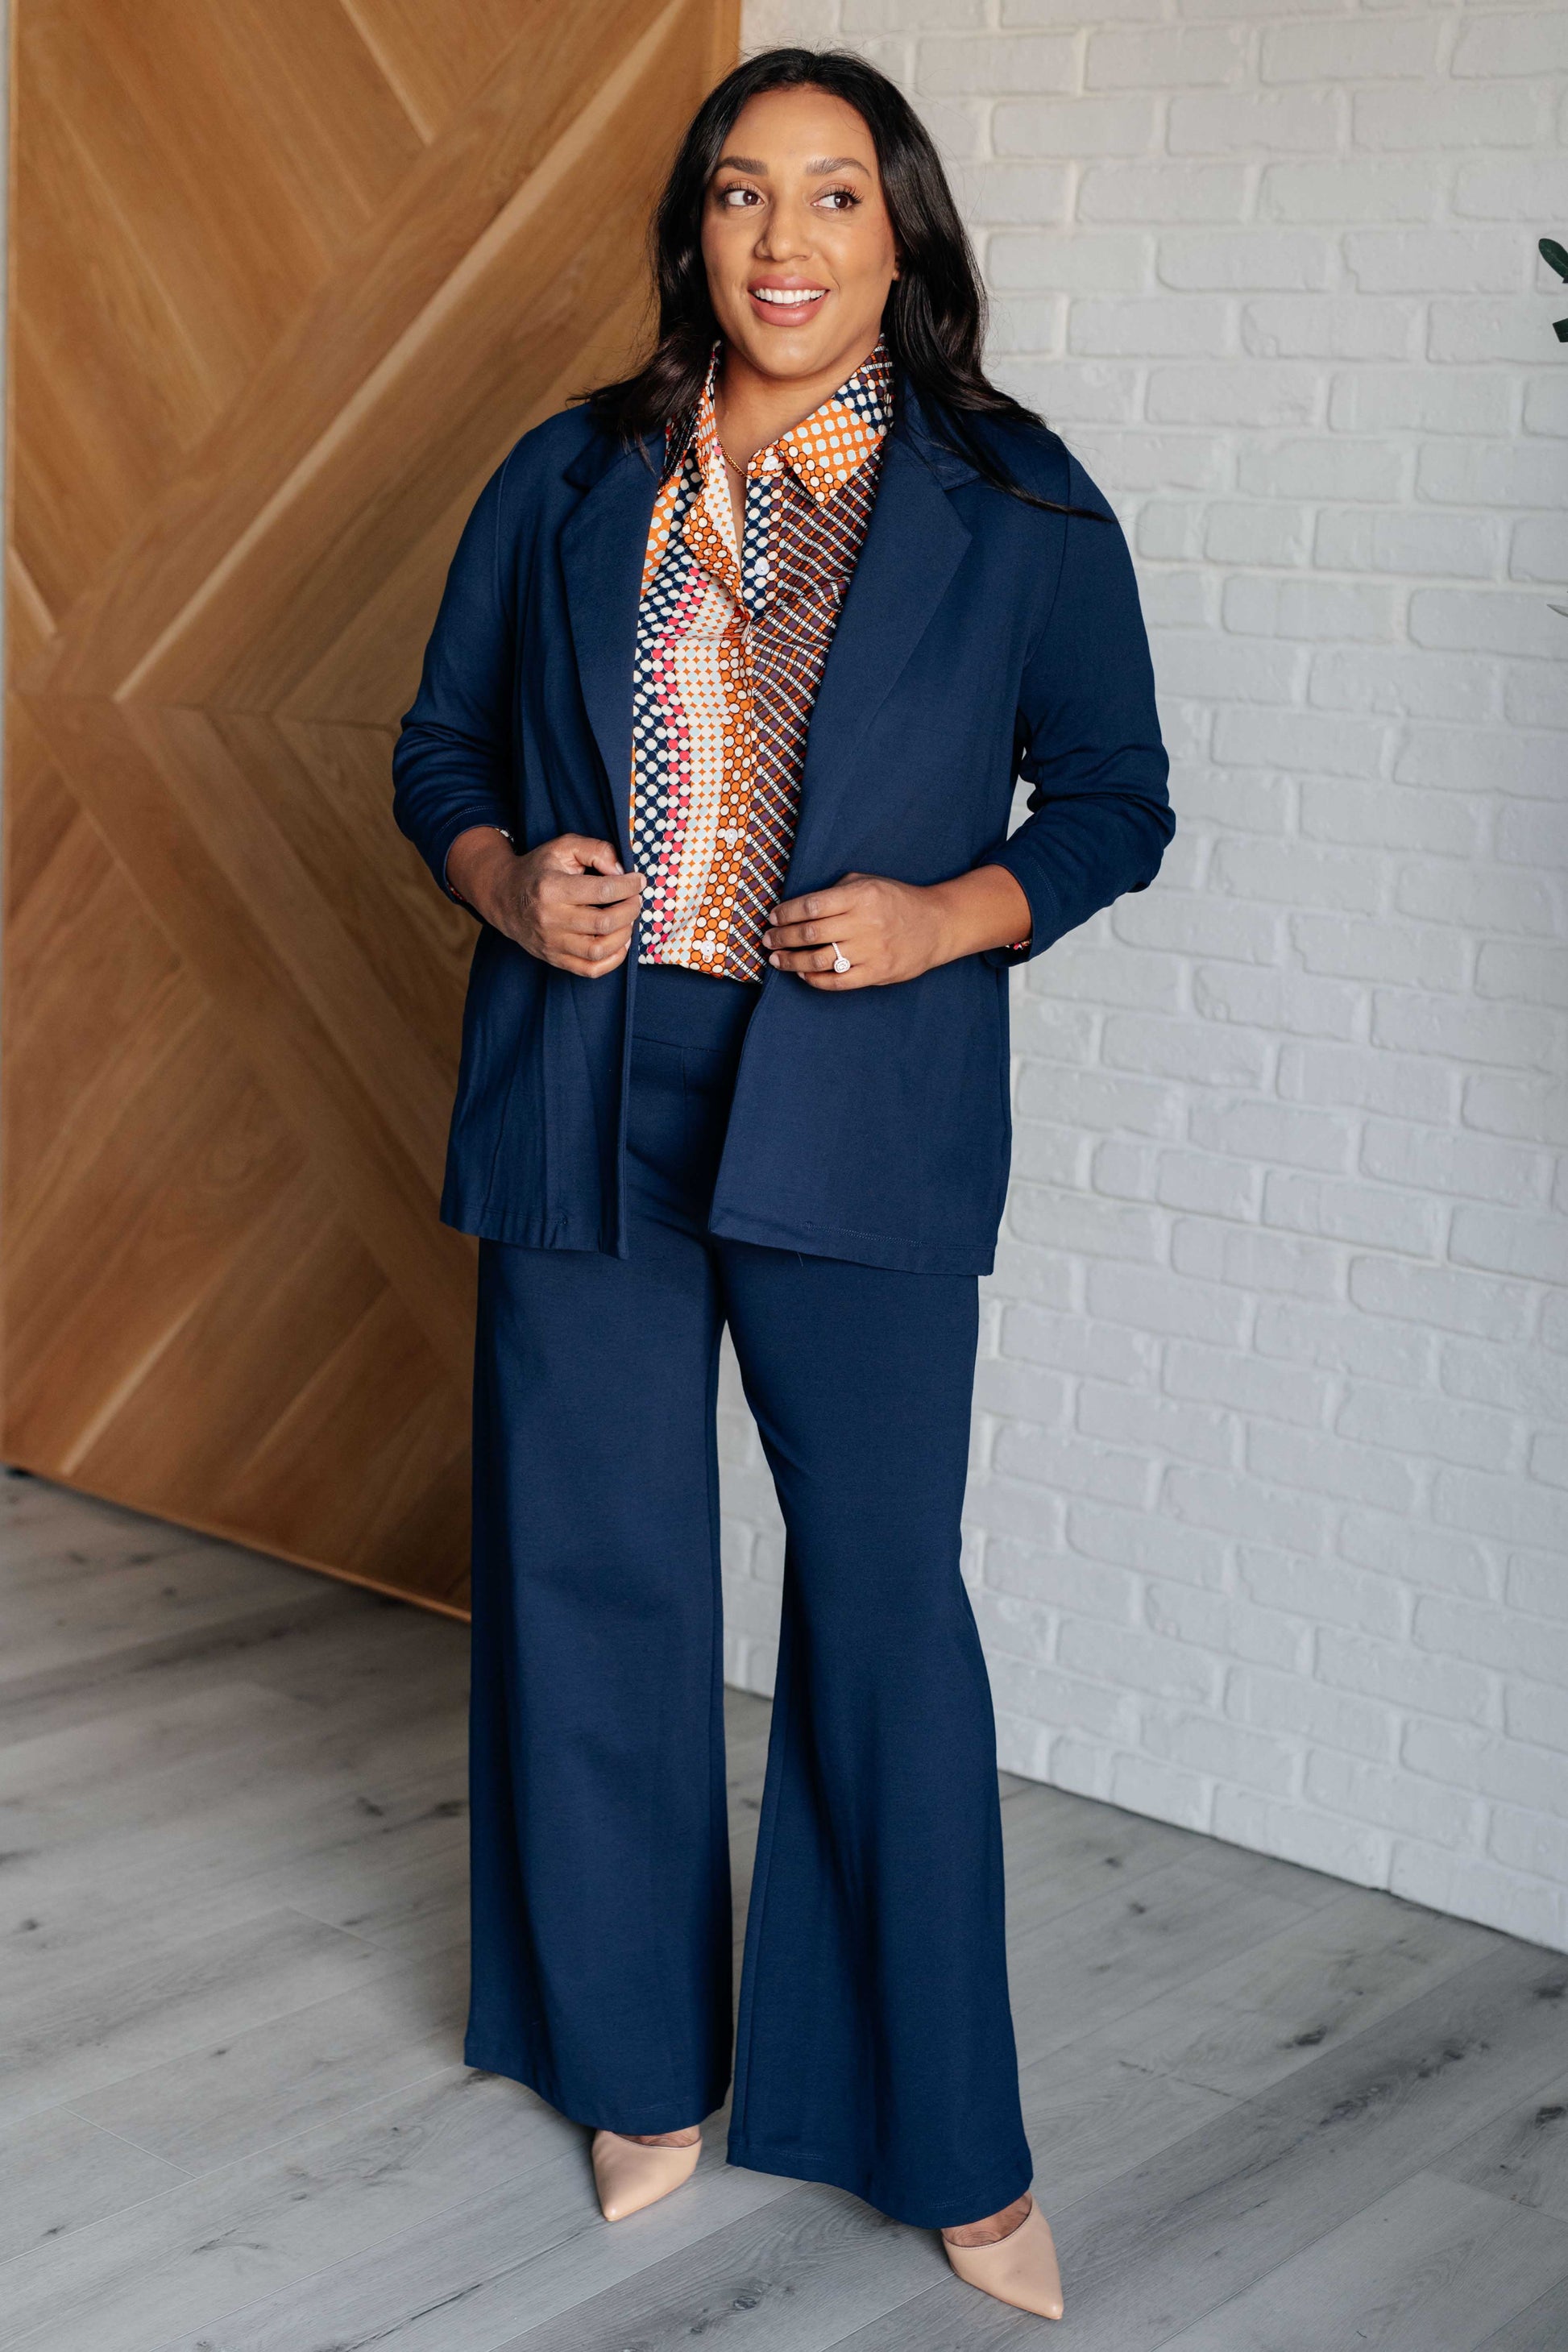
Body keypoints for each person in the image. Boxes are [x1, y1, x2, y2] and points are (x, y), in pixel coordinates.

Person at [392, 44, 1172, 2325]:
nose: (785, 244)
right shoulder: (567, 478)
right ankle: (631, 2060)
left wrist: (946, 917)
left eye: (834, 198)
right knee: (594, 1577)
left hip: (856, 1112)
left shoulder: (1012, 503)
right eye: (741, 197)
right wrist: (504, 874)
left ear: (899, 235)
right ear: (691, 234)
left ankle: (944, 2135)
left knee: (879, 1610)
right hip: (584, 1096)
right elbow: (441, 747)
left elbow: (1115, 798)